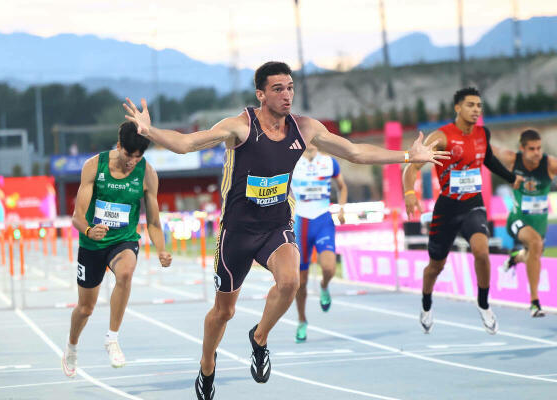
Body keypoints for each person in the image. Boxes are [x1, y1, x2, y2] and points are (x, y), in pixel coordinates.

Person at [123, 61, 448, 400]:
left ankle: (259, 338)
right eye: (278, 89)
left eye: (290, 87)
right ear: (261, 94)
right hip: (237, 232)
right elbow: (188, 143)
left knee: (291, 281)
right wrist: (150, 131)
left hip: (277, 225)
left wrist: (408, 156)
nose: (287, 94)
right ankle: (207, 364)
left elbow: (355, 152)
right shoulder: (240, 127)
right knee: (224, 312)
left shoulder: (304, 128)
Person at [403, 87, 523, 336]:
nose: (476, 110)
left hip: (473, 204)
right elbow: (413, 167)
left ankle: (483, 304)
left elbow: (488, 159)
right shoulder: (442, 136)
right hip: (447, 208)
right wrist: (409, 193)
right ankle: (426, 304)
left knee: (482, 251)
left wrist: (512, 178)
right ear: (458, 108)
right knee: (436, 266)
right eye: (470, 105)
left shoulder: (482, 133)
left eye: (479, 105)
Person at [61, 122, 172, 378]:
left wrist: (162, 250)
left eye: (138, 156)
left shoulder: (147, 174)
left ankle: (112, 339)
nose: (132, 161)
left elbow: (153, 222)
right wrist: (89, 230)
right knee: (85, 308)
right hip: (92, 243)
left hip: (124, 240)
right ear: (118, 145)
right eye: (128, 154)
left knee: (125, 273)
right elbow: (77, 217)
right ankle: (72, 346)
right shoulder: (94, 166)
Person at [492, 129, 557, 317]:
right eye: (531, 149)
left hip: (539, 223)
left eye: (539, 148)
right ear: (522, 149)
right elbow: (489, 150)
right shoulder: (513, 159)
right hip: (517, 219)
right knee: (535, 244)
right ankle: (535, 302)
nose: (537, 152)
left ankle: (514, 258)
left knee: (532, 253)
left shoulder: (549, 164)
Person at [290, 143, 347, 343]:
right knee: (301, 281)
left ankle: (324, 286)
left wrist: (341, 208)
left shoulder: (329, 162)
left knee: (330, 268)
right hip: (302, 223)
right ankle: (302, 320)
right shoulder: (293, 162)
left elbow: (342, 186)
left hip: (323, 219)